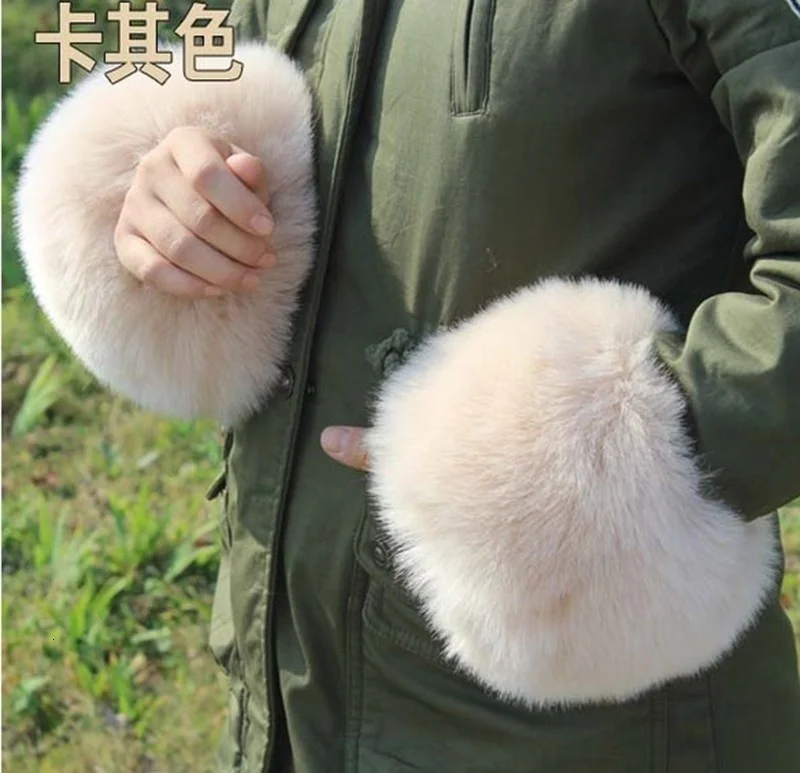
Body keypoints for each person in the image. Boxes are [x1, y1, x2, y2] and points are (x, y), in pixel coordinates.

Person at [15, 0, 800, 770]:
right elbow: (221, 57)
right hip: (283, 685)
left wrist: (604, 467)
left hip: (580, 721)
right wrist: (162, 183)